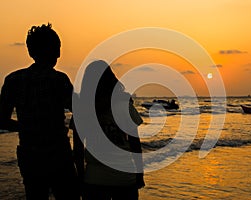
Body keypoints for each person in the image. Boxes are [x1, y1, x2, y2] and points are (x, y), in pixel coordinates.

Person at [0, 23, 80, 200]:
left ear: (30, 51)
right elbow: (80, 112)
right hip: (59, 153)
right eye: (57, 49)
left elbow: (2, 120)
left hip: (29, 154)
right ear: (52, 51)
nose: (59, 54)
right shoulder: (59, 80)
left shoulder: (13, 80)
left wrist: (26, 127)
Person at [72, 60, 145, 200]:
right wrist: (139, 174)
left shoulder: (82, 110)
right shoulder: (124, 105)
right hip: (124, 177)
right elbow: (135, 144)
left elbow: (78, 150)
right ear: (111, 80)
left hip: (94, 178)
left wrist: (80, 177)